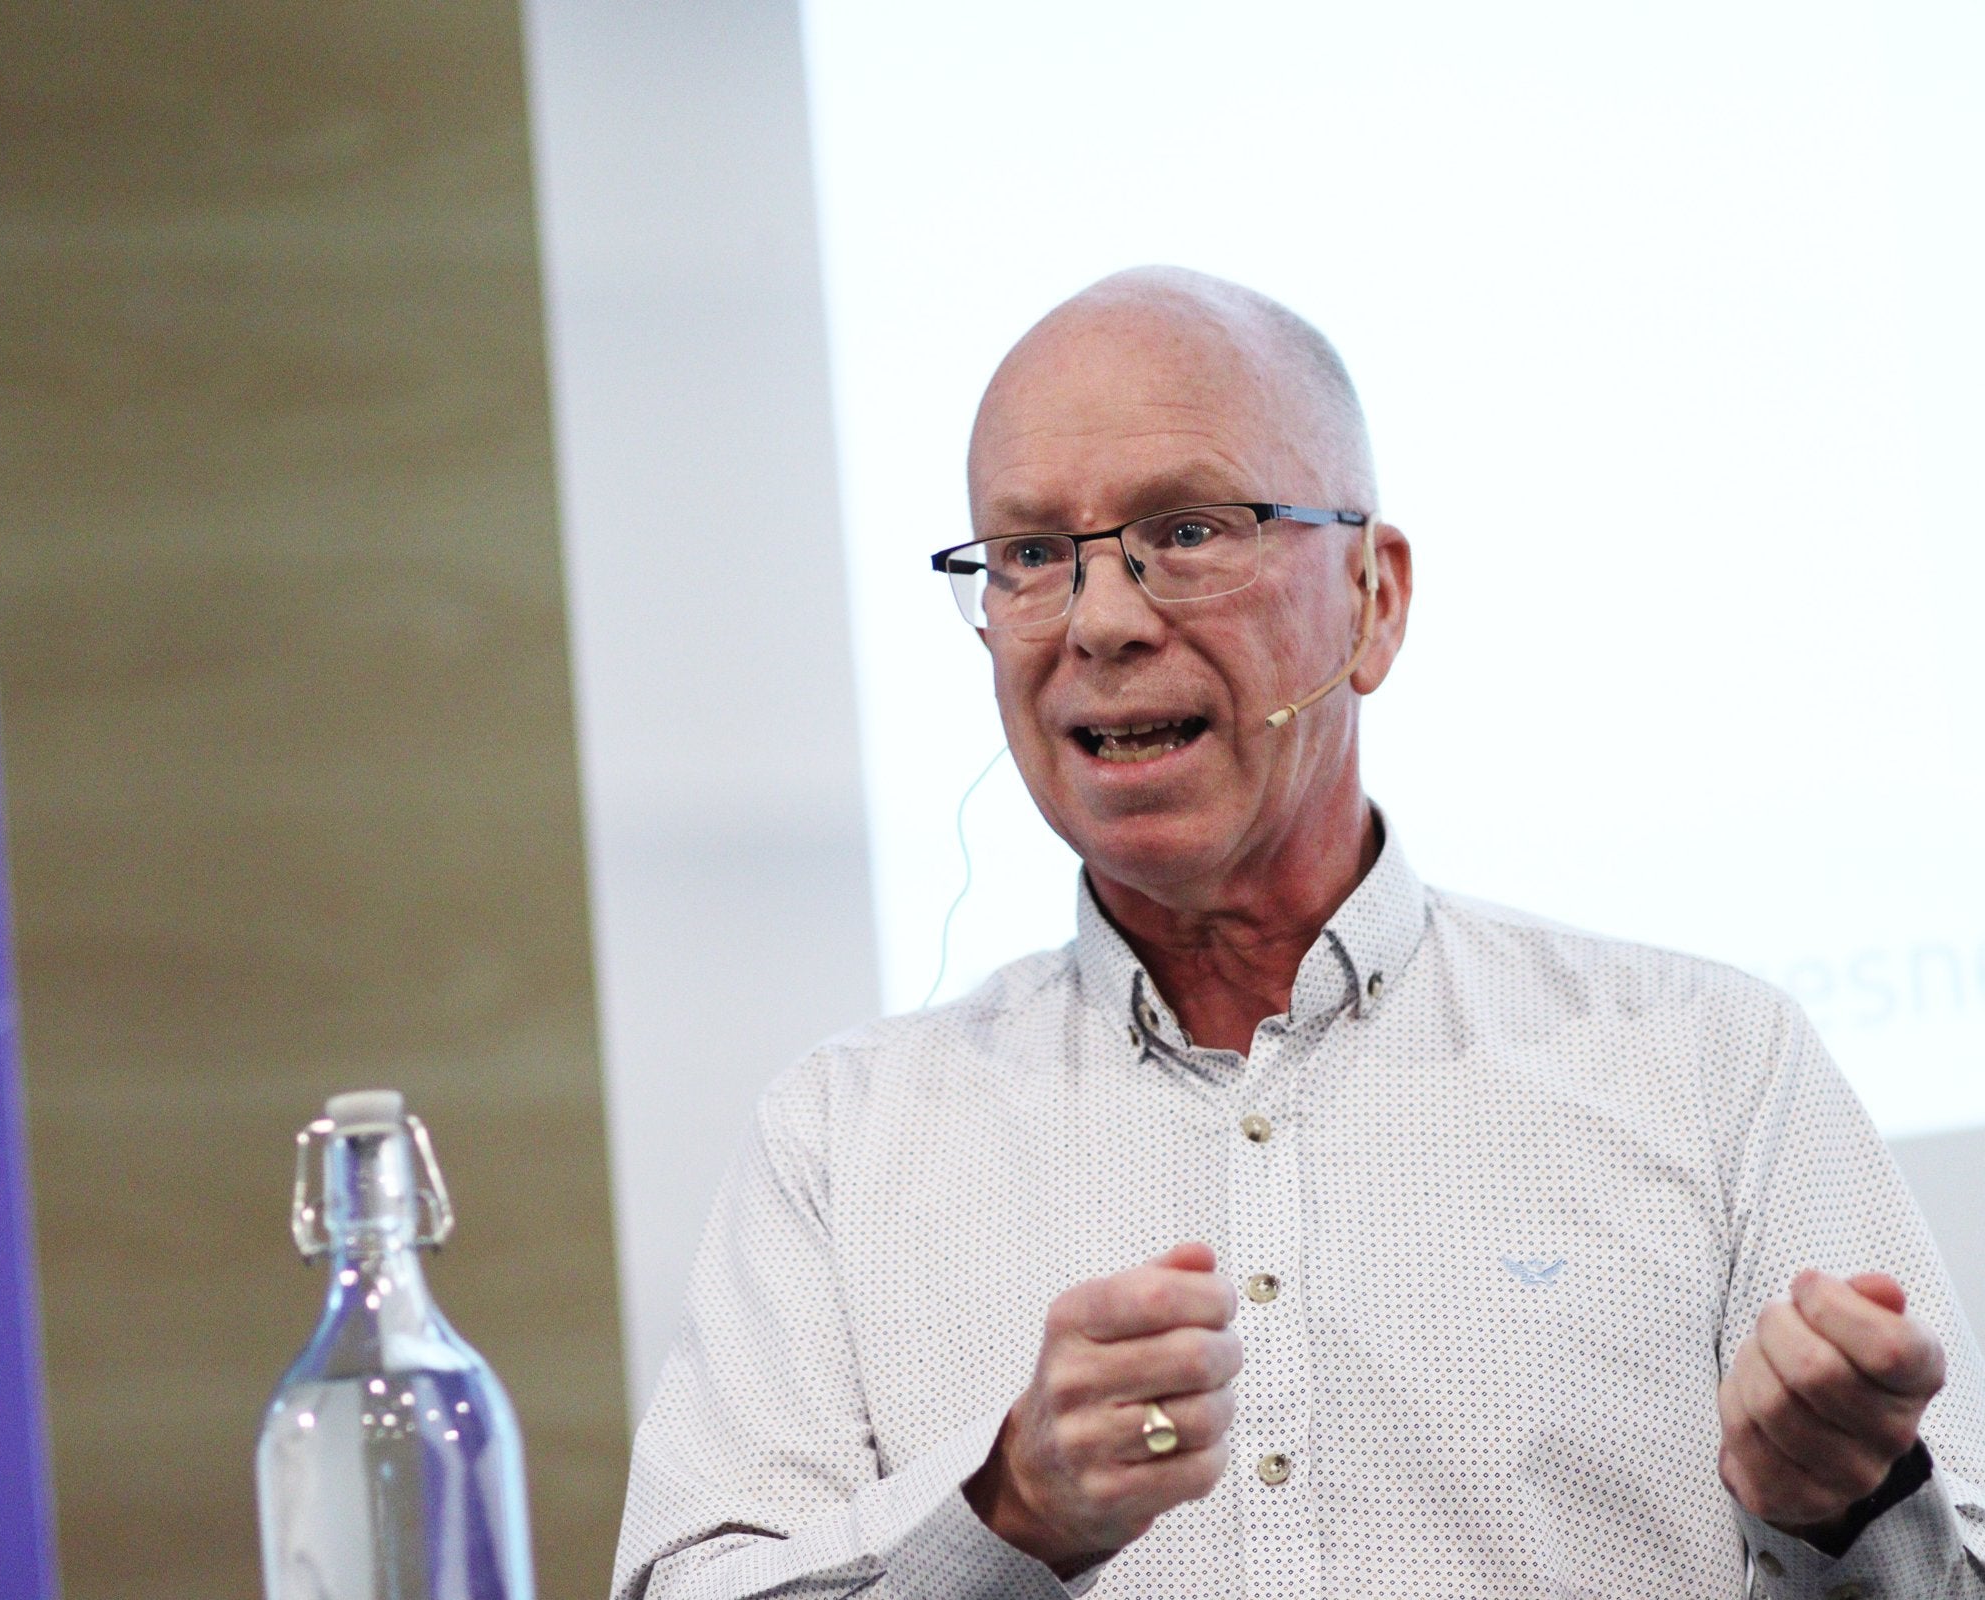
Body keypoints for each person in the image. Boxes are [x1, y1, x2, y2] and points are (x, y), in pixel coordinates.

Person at [609, 267, 1985, 1598]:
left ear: (1374, 600)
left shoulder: (1713, 1067)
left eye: (1187, 532)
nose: (1100, 621)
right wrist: (1006, 1516)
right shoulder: (842, 1143)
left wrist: (1844, 1514)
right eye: (1029, 555)